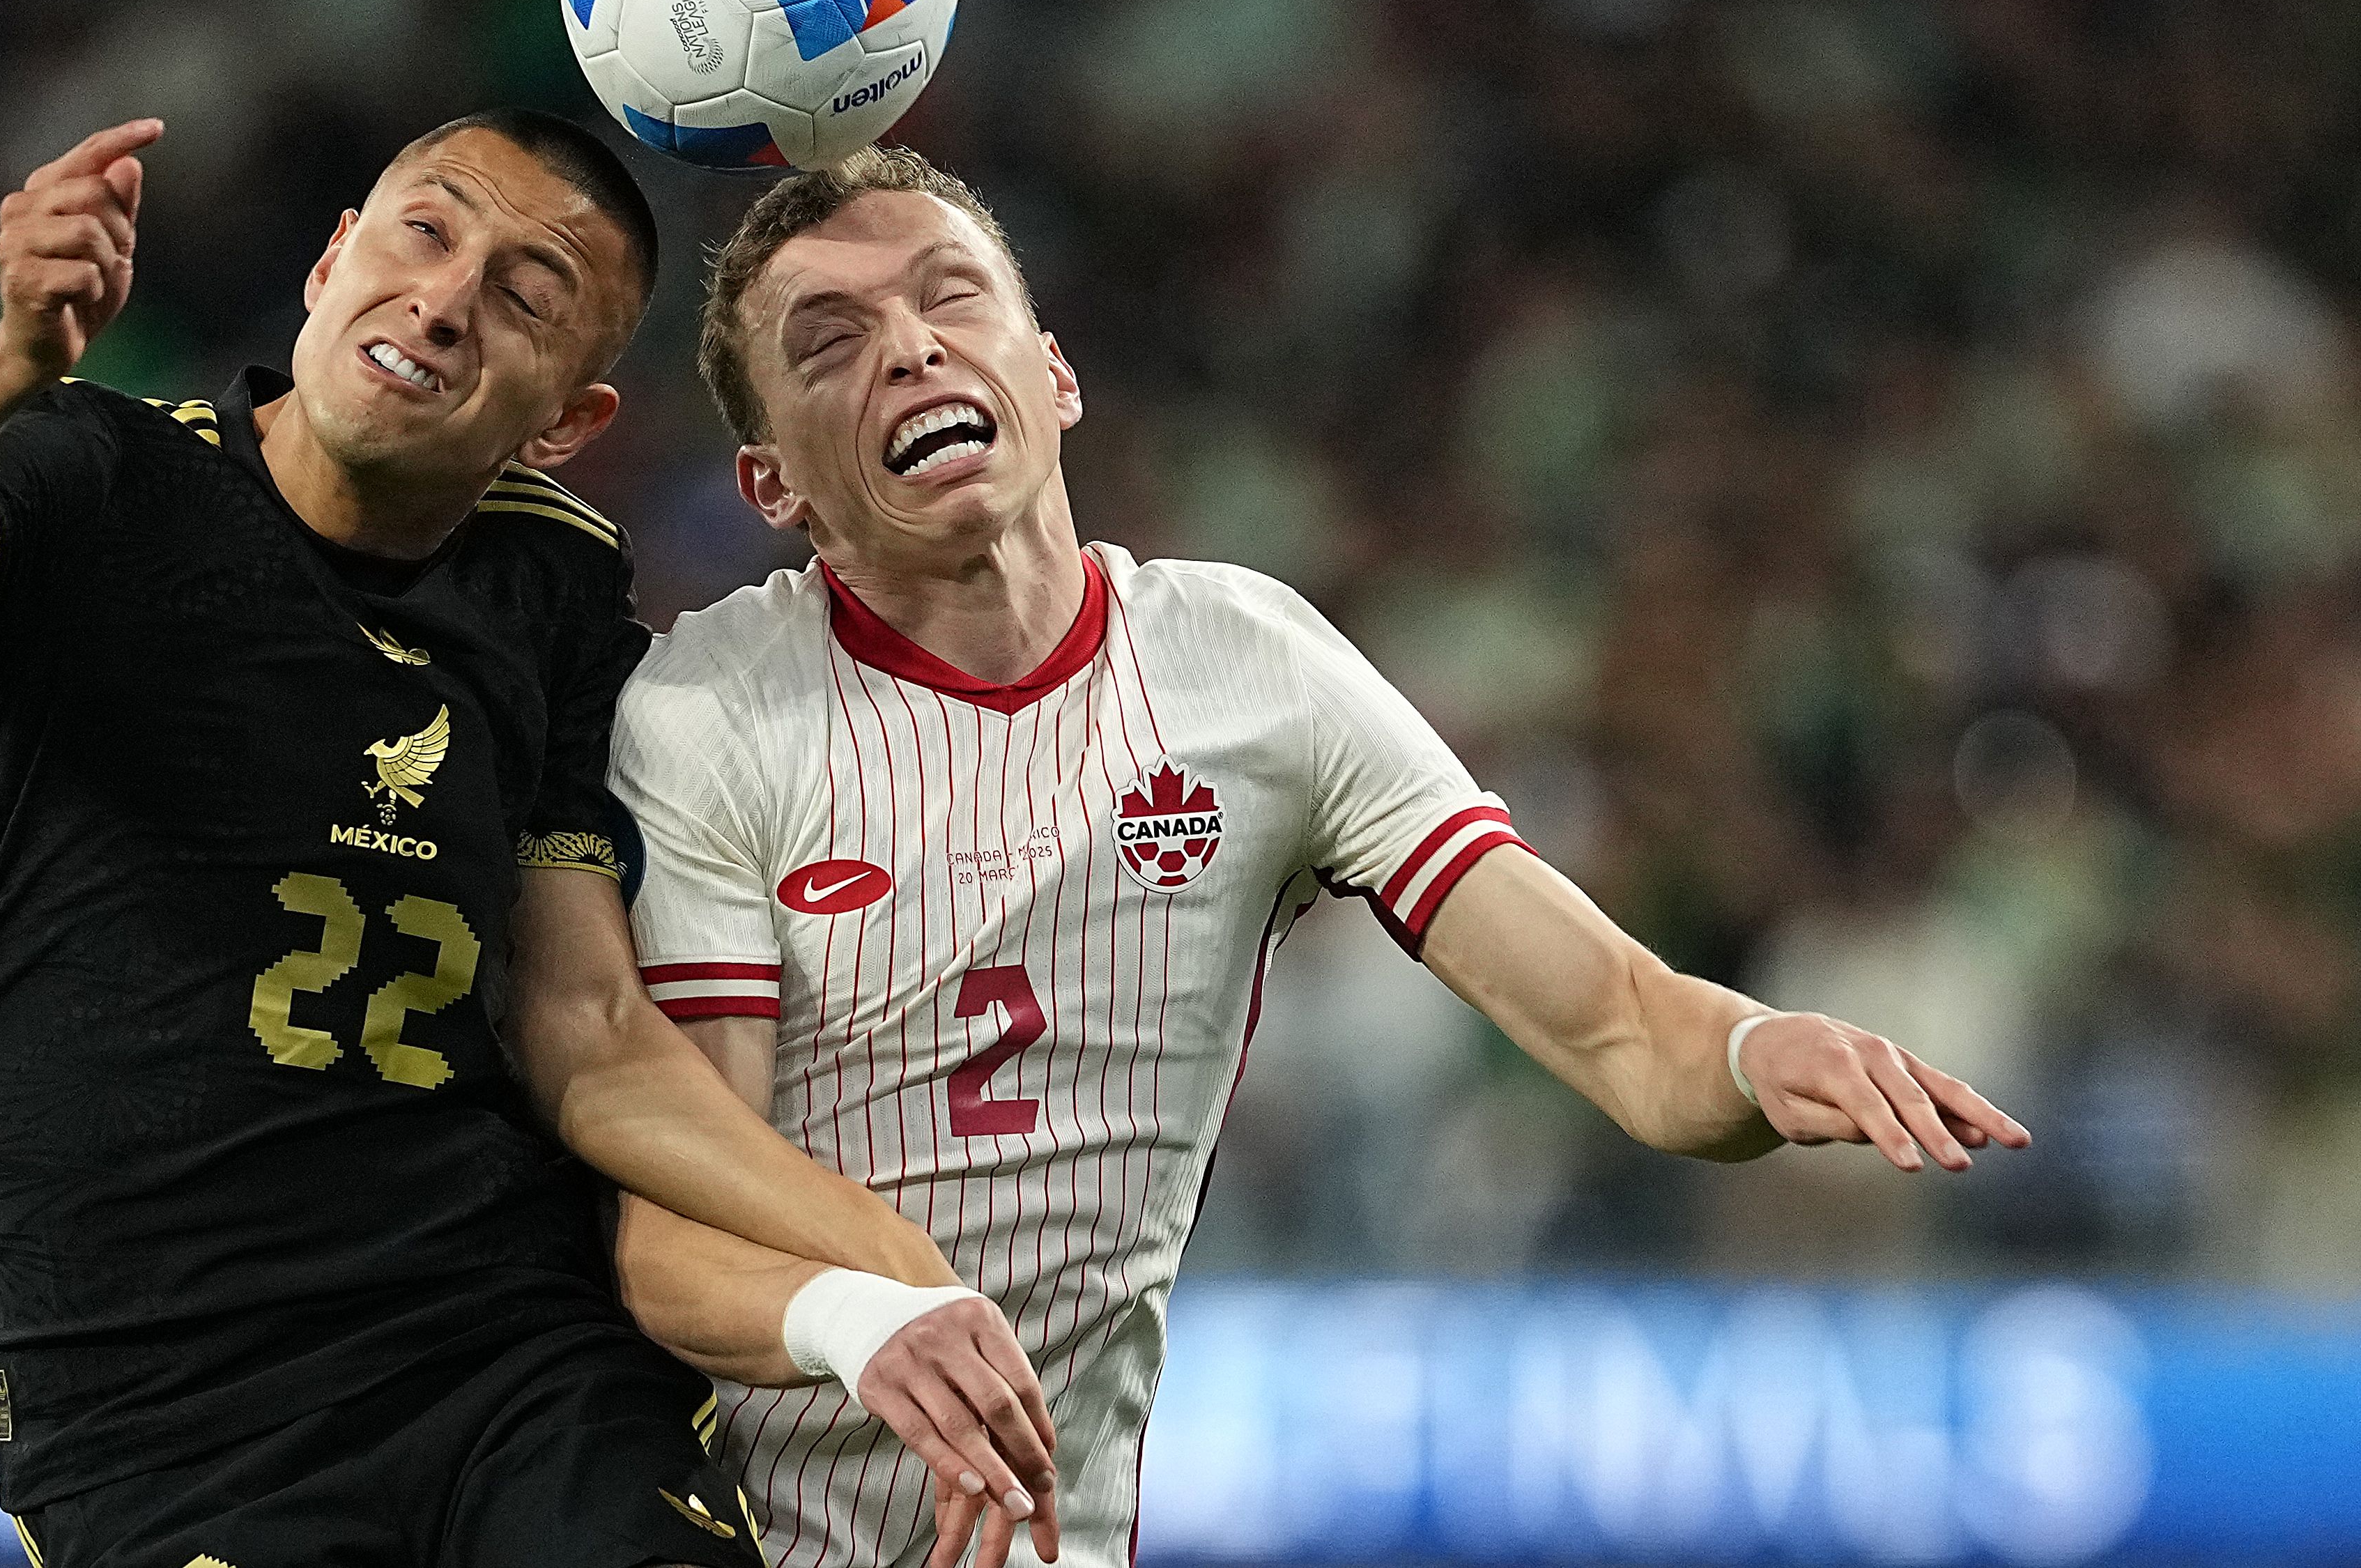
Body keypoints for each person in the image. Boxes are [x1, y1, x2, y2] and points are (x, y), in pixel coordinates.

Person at [603, 147, 2036, 1568]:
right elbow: (674, 1241)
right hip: (724, 1535)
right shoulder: (707, 715)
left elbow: (1626, 1025)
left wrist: (1751, 1052)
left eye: (949, 296)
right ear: (770, 478)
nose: (910, 348)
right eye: (831, 341)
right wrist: (869, 1320)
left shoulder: (1252, 665)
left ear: (1053, 373)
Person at [0, 112, 1050, 1568]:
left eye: (526, 290)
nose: (447, 294)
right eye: (425, 230)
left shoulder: (549, 584)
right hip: (163, 1408)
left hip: (511, 1357)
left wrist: (898, 1270)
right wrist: (12, 356)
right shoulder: (91, 478)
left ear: (565, 420)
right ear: (332, 257)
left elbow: (590, 1029)